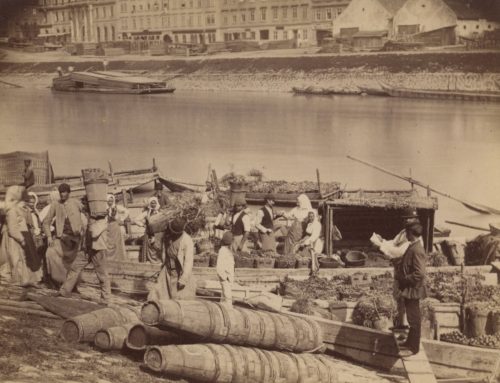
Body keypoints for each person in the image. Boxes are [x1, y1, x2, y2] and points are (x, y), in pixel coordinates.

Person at [371, 209, 424, 330]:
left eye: (409, 218)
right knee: (399, 296)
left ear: (415, 220)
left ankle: (406, 326)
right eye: (405, 218)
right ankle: (401, 323)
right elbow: (393, 243)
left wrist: (380, 246)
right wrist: (382, 241)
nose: (406, 220)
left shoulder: (415, 236)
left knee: (407, 299)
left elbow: (399, 251)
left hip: (408, 271)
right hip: (400, 268)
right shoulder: (404, 232)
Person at [58, 215, 111, 302]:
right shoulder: (89, 218)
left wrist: (90, 222)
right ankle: (65, 291)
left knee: (102, 274)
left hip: (98, 250)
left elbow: (94, 233)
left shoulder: (102, 220)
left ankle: (106, 298)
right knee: (74, 268)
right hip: (86, 249)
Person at [394, 218, 428, 356]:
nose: (405, 235)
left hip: (413, 289)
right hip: (410, 289)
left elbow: (420, 273)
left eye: (406, 232)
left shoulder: (417, 249)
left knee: (414, 319)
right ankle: (409, 342)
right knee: (411, 316)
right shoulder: (413, 245)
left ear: (411, 233)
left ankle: (413, 348)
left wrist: (404, 279)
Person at [43, 183, 86, 285]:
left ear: (69, 193)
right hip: (61, 237)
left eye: (65, 192)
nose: (62, 194)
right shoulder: (55, 205)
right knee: (50, 253)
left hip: (75, 239)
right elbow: (46, 222)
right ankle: (59, 281)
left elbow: (86, 213)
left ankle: (72, 285)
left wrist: (82, 230)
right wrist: (49, 236)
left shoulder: (76, 203)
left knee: (74, 262)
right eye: (61, 192)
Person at [0, 186, 42, 286]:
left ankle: (22, 280)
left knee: (21, 259)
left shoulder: (19, 210)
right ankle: (15, 281)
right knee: (14, 259)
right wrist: (21, 239)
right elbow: (12, 229)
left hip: (17, 237)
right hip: (12, 239)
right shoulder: (12, 211)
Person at [147, 217, 195, 301]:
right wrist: (153, 244)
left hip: (178, 272)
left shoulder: (187, 241)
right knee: (156, 295)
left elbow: (188, 262)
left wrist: (183, 279)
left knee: (175, 299)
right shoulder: (168, 237)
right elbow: (162, 251)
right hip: (166, 270)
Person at [135, 197, 163, 263]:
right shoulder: (146, 212)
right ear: (150, 204)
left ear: (157, 203)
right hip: (148, 232)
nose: (153, 204)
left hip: (158, 232)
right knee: (149, 245)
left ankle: (158, 260)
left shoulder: (160, 212)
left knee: (157, 246)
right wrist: (143, 225)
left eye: (154, 203)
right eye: (152, 203)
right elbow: (136, 219)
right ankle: (148, 260)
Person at [105, 194, 128, 261]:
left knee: (116, 243)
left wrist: (121, 219)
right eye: (108, 201)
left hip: (115, 226)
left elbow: (126, 211)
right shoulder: (105, 209)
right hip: (107, 227)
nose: (110, 202)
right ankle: (109, 258)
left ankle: (118, 258)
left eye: (111, 201)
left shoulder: (116, 207)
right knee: (108, 242)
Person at [216, 231, 235, 307]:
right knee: (228, 298)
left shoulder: (227, 251)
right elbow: (219, 267)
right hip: (225, 279)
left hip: (228, 279)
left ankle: (223, 309)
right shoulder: (222, 251)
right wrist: (225, 278)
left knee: (224, 297)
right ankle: (228, 311)